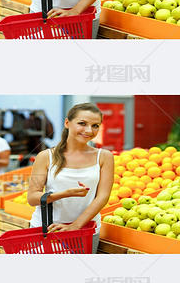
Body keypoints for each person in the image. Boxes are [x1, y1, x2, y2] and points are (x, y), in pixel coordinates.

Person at [27, 103, 114, 254]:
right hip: (46, 230)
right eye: (82, 123)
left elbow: (103, 197)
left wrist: (75, 226)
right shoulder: (45, 157)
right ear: (67, 123)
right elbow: (32, 197)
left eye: (95, 125)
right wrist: (65, 194)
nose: (89, 130)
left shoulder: (104, 156)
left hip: (85, 231)